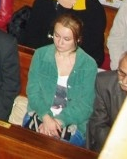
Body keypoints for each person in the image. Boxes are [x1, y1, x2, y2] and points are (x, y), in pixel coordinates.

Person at [23, 14, 98, 147]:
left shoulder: (88, 64)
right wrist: (46, 118)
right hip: (39, 114)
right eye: (56, 36)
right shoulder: (41, 54)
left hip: (72, 123)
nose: (59, 42)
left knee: (55, 149)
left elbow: (85, 106)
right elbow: (33, 92)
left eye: (67, 39)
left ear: (78, 39)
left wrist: (59, 121)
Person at [21, 0, 107, 66]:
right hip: (44, 55)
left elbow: (91, 46)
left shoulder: (93, 8)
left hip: (76, 61)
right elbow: (33, 32)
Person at [88, 50, 127, 153]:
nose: (125, 81)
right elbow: (98, 125)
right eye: (121, 73)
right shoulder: (104, 82)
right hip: (109, 147)